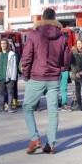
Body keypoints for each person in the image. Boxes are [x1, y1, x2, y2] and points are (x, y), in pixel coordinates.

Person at [21, 8, 71, 155]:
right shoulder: (62, 37)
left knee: (27, 108)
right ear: (54, 19)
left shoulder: (34, 34)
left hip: (37, 76)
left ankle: (35, 138)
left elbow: (26, 57)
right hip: (54, 78)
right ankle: (51, 144)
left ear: (42, 18)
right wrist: (61, 68)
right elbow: (66, 57)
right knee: (53, 111)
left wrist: (26, 74)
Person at [0, 38, 18, 112]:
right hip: (1, 77)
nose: (3, 45)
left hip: (9, 77)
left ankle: (10, 107)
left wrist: (13, 77)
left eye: (4, 43)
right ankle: (1, 107)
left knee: (10, 92)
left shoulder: (11, 54)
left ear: (7, 44)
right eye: (1, 43)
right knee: (1, 93)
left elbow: (14, 66)